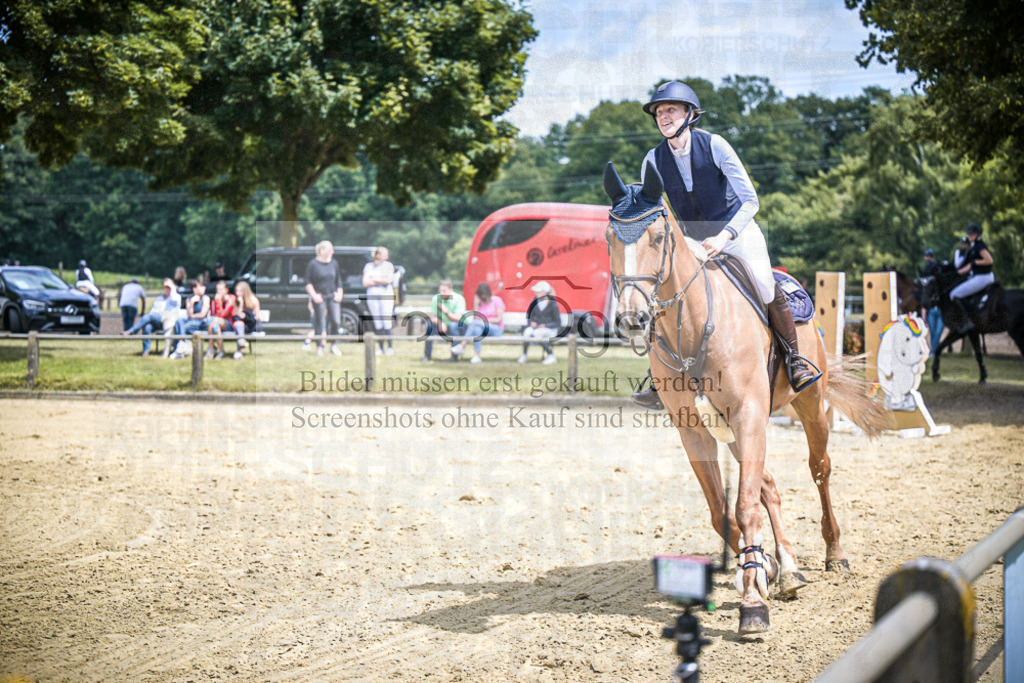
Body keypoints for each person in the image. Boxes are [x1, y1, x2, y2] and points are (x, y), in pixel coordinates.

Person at [631, 80, 819, 409]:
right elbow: (653, 210)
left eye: (671, 109)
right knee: (663, 292)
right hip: (690, 240)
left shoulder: (716, 145)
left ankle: (795, 359)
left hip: (735, 231)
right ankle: (657, 373)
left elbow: (750, 201)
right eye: (659, 112)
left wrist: (724, 236)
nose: (664, 116)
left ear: (690, 113)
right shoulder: (653, 159)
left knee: (763, 282)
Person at [949, 222, 995, 333]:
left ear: (978, 234)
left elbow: (989, 260)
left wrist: (976, 261)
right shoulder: (974, 247)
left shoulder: (980, 246)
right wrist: (957, 273)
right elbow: (970, 266)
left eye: (972, 233)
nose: (969, 235)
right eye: (969, 233)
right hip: (979, 276)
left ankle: (967, 321)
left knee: (954, 294)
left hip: (983, 277)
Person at [304, 240, 344, 356]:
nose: (332, 252)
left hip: (332, 295)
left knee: (336, 321)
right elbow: (307, 282)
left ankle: (333, 345)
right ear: (321, 251)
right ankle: (319, 347)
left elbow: (339, 281)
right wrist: (314, 296)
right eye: (329, 249)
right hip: (319, 296)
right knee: (320, 322)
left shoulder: (334, 263)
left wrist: (340, 293)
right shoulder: (313, 264)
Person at [122, 279, 181, 356]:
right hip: (157, 320)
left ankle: (132, 331)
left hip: (168, 321)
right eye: (165, 287)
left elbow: (174, 300)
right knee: (147, 326)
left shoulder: (176, 297)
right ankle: (146, 351)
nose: (166, 289)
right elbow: (153, 311)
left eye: (168, 287)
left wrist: (173, 288)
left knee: (148, 316)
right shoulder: (159, 298)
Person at [456, 282, 505, 364]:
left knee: (476, 324)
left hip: (496, 329)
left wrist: (484, 321)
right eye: (481, 295)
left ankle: (462, 344)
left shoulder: (497, 300)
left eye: (484, 294)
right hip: (483, 330)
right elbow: (476, 318)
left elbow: (499, 319)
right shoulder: (480, 303)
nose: (483, 296)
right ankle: (477, 356)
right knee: (476, 330)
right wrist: (476, 303)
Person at [362, 246, 396, 356]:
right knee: (377, 321)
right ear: (377, 255)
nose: (386, 256)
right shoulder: (369, 266)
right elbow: (365, 282)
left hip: (385, 295)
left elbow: (388, 280)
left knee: (386, 320)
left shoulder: (388, 266)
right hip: (373, 296)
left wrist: (374, 279)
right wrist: (380, 280)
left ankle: (390, 347)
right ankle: (380, 347)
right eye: (384, 254)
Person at [423, 279, 467, 362]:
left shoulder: (459, 299)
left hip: (459, 328)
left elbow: (458, 318)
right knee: (430, 326)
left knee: (454, 326)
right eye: (440, 291)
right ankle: (427, 356)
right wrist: (440, 323)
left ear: (451, 290)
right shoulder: (436, 299)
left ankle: (454, 357)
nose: (441, 293)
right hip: (443, 327)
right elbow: (432, 317)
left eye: (444, 291)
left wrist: (445, 311)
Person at [170, 280, 214, 359]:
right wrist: (192, 302)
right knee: (178, 321)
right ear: (194, 289)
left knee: (182, 326)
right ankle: (181, 345)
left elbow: (202, 315)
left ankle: (179, 347)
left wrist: (192, 315)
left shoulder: (205, 298)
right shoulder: (189, 299)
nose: (204, 288)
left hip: (200, 323)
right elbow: (189, 314)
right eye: (201, 286)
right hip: (190, 322)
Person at [519, 281, 561, 365]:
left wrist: (545, 325)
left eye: (539, 291)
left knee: (538, 333)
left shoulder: (553, 304)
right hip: (536, 328)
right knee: (527, 332)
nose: (536, 293)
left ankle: (550, 356)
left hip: (550, 330)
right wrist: (532, 323)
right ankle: (524, 355)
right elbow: (529, 316)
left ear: (545, 292)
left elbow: (557, 322)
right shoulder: (534, 302)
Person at [207, 280, 237, 359]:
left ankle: (211, 349)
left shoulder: (231, 299)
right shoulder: (215, 300)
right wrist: (216, 302)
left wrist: (218, 302)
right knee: (214, 325)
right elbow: (212, 314)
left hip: (230, 323)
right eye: (217, 290)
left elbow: (223, 314)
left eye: (221, 289)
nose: (218, 292)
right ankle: (221, 351)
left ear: (226, 290)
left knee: (214, 321)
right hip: (217, 323)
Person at [233, 280, 262, 359]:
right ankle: (241, 344)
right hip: (240, 325)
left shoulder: (253, 300)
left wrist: (245, 316)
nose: (237, 293)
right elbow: (237, 315)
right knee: (238, 324)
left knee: (238, 325)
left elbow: (257, 317)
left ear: (245, 291)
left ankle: (239, 351)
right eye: (236, 291)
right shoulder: (237, 301)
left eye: (240, 291)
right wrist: (241, 304)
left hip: (251, 324)